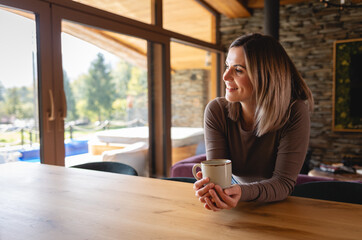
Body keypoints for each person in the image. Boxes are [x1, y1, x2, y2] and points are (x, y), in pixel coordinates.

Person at [193, 33, 314, 211]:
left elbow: (283, 184)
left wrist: (241, 192)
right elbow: (218, 177)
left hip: (277, 205)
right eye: (227, 66)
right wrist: (212, 188)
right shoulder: (216, 111)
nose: (225, 76)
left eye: (238, 70)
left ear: (266, 76)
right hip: (236, 201)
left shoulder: (294, 112)